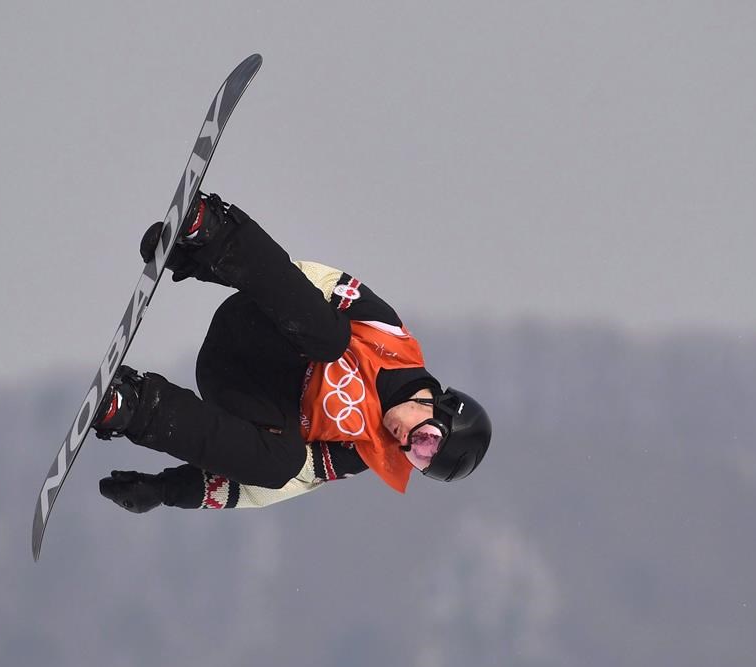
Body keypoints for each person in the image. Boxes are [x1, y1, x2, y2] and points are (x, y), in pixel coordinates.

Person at [93, 192, 491, 512]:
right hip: (256, 330)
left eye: (418, 460)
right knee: (331, 341)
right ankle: (213, 229)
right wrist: (205, 262)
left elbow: (270, 488)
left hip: (235, 386)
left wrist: (166, 490)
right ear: (440, 405)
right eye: (426, 441)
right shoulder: (392, 343)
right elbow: (312, 279)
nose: (408, 445)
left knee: (281, 464)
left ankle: (132, 406)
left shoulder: (361, 453)